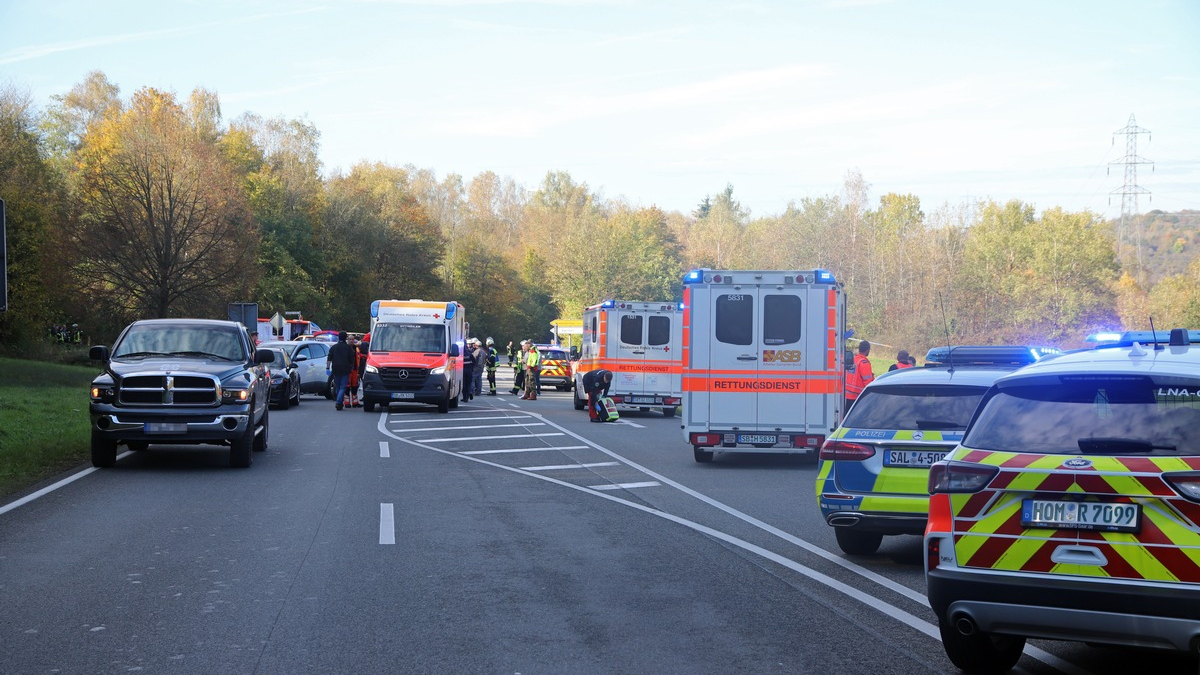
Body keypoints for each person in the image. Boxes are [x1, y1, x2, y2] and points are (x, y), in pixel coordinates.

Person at [327, 331, 356, 411]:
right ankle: (339, 401)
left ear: (338, 337)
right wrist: (351, 367)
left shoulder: (334, 347)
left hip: (336, 369)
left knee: (338, 386)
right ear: (346, 338)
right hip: (345, 369)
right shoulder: (348, 348)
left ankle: (339, 402)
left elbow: (329, 358)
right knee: (343, 386)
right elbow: (352, 360)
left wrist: (327, 368)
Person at [845, 340, 875, 413]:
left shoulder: (853, 359)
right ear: (867, 350)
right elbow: (868, 382)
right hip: (857, 396)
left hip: (847, 394)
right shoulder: (864, 363)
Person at [344, 337, 362, 408]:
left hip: (355, 370)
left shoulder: (356, 348)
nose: (351, 341)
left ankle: (355, 403)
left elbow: (359, 359)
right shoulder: (345, 348)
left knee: (355, 387)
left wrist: (358, 371)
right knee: (347, 387)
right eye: (350, 339)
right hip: (347, 371)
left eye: (352, 339)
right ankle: (347, 403)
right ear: (347, 340)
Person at [461, 338, 476, 402]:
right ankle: (469, 392)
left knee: (464, 384)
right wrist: (471, 367)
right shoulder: (469, 353)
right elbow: (474, 361)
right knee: (469, 383)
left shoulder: (460, 354)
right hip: (469, 370)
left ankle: (465, 398)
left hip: (463, 370)